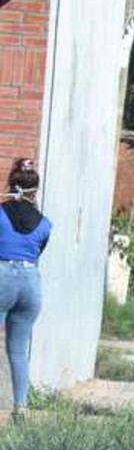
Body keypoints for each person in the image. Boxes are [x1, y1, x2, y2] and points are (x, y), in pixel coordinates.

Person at [0, 158, 49, 423]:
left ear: (11, 183)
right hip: (30, 284)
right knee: (18, 351)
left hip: (2, 277)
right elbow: (37, 252)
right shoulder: (45, 224)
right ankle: (21, 408)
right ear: (35, 190)